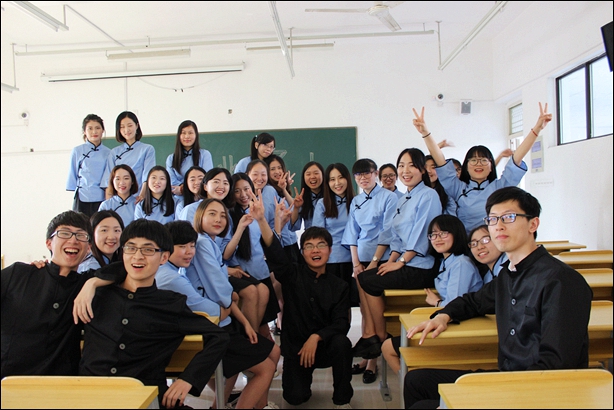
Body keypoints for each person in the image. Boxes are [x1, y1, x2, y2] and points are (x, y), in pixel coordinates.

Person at [403, 186, 593, 409]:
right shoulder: (508, 274)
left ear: (533, 224)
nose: (498, 226)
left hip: (537, 391)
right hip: (507, 378)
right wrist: (443, 316)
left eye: (509, 217)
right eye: (492, 219)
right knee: (416, 381)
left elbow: (557, 365)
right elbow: (474, 301)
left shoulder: (562, 281)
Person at [77, 219, 229, 409]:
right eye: (131, 248)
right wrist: (92, 282)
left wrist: (188, 379)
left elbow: (219, 336)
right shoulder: (96, 295)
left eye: (148, 249)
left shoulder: (170, 304)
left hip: (147, 399)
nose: (138, 256)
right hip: (93, 398)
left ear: (164, 257)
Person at [1, 210, 120, 379]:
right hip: (9, 382)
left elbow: (124, 268)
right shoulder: (19, 274)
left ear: (88, 248)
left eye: (81, 235)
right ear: (49, 243)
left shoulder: (85, 283)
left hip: (61, 385)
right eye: (64, 233)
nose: (73, 240)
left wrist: (92, 283)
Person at [187, 198, 280, 409]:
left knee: (270, 352)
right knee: (268, 361)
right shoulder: (202, 243)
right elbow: (219, 287)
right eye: (212, 214)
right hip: (213, 324)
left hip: (222, 319)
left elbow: (221, 283)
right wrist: (234, 300)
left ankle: (238, 405)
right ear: (199, 216)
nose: (219, 219)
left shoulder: (208, 242)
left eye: (222, 215)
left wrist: (240, 314)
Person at [354, 149, 441, 373]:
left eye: (411, 165)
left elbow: (422, 235)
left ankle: (380, 335)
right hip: (405, 261)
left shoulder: (428, 195)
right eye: (401, 165)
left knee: (369, 281)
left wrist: (400, 262)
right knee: (363, 276)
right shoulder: (404, 198)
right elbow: (395, 237)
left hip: (421, 265)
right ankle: (374, 334)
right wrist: (387, 261)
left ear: (422, 169)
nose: (405, 170)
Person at [414, 103, 552, 233]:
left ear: (491, 166)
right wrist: (425, 133)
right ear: (466, 167)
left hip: (495, 243)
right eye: (473, 160)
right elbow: (439, 160)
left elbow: (517, 157)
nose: (478, 164)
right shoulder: (458, 188)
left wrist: (537, 128)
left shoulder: (500, 187)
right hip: (466, 244)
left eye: (483, 160)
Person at [263, 216, 354, 409]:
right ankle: (302, 381)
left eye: (321, 245)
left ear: (330, 250)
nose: (315, 250)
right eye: (309, 246)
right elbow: (276, 255)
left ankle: (342, 400)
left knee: (342, 343)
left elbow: (341, 323)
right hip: (297, 349)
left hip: (325, 347)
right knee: (295, 397)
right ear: (302, 252)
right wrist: (262, 221)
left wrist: (317, 337)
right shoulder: (292, 275)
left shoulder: (340, 286)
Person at [381, 215, 484, 376]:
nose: (437, 238)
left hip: (461, 325)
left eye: (443, 233)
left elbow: (455, 305)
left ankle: (410, 383)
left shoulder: (461, 264)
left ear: (457, 233)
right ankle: (411, 382)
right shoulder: (447, 261)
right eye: (433, 235)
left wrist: (437, 303)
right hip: (451, 322)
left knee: (388, 347)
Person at [340, 158, 397, 383]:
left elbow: (388, 231)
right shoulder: (356, 200)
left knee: (376, 310)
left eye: (367, 173)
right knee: (364, 309)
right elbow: (352, 232)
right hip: (361, 260)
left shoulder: (389, 197)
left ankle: (373, 361)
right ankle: (367, 354)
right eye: (359, 174)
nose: (363, 178)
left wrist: (374, 262)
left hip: (381, 260)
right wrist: (356, 263)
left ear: (376, 174)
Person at [229, 173, 280, 339]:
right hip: (244, 275)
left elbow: (268, 242)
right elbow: (228, 250)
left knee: (263, 325)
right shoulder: (229, 216)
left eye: (246, 189)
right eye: (237, 191)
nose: (243, 195)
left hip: (261, 272)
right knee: (257, 328)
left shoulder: (257, 210)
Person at [312, 163, 358, 307]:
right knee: (332, 304)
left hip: (355, 259)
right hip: (331, 260)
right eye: (332, 179)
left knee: (352, 302)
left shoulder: (357, 202)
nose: (337, 183)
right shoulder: (322, 204)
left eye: (340, 177)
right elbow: (318, 236)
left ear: (348, 179)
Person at [100, 111, 156, 202]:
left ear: (137, 126)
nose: (126, 130)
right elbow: (108, 180)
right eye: (122, 127)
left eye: (130, 125)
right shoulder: (114, 152)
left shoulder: (147, 149)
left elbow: (147, 176)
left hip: (139, 198)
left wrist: (142, 196)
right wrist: (109, 204)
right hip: (119, 200)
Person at [66, 114, 111, 217]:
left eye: (97, 128)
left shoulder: (109, 153)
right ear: (84, 131)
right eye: (90, 128)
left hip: (101, 198)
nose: (94, 132)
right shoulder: (77, 151)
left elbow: (109, 179)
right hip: (82, 197)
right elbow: (73, 174)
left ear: (103, 130)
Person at [166, 120, 213, 196]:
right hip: (179, 198)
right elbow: (172, 183)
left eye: (190, 133)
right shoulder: (171, 158)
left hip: (200, 196)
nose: (187, 136)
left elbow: (207, 179)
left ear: (196, 135)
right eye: (183, 133)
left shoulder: (204, 155)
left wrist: (182, 189)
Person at [291, 161, 324, 231]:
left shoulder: (330, 197)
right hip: (310, 236)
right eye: (308, 174)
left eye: (316, 173)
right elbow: (294, 227)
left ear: (323, 175)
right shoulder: (302, 199)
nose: (312, 177)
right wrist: (296, 208)